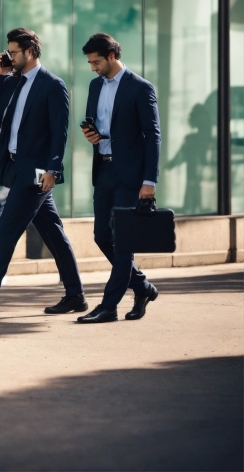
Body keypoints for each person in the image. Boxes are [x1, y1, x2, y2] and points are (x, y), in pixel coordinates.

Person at [0, 28, 86, 316]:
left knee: (5, 230)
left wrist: (53, 170)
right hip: (14, 167)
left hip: (37, 172)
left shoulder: (53, 85)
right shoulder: (12, 80)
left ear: (30, 51)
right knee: (54, 235)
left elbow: (60, 134)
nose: (10, 56)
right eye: (9, 51)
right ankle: (76, 295)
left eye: (14, 52)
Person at [77, 32, 161, 324]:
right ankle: (142, 287)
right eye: (90, 62)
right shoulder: (94, 86)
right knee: (102, 236)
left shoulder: (140, 88)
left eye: (96, 61)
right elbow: (96, 124)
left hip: (131, 176)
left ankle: (108, 306)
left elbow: (153, 137)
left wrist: (149, 181)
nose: (93, 67)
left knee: (123, 241)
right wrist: (92, 136)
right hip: (104, 169)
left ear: (112, 56)